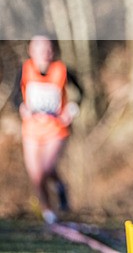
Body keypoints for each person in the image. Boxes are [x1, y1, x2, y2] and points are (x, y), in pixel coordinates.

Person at [11, 34, 83, 224]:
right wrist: (21, 107)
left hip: (56, 129)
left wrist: (72, 109)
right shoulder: (25, 70)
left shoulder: (63, 70)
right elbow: (15, 97)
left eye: (49, 48)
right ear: (31, 51)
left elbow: (81, 93)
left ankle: (59, 186)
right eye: (41, 49)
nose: (46, 53)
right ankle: (48, 214)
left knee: (46, 169)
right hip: (32, 130)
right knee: (36, 175)